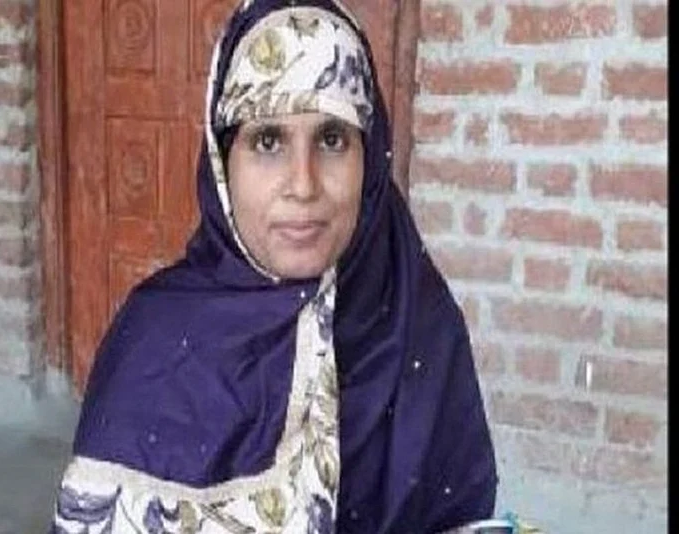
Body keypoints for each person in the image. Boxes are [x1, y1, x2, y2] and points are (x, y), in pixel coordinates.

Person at [49, 0, 500, 532]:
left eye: (332, 139)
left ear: (370, 157)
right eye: (268, 141)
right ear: (223, 164)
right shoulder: (153, 342)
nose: (303, 185)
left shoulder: (417, 320)